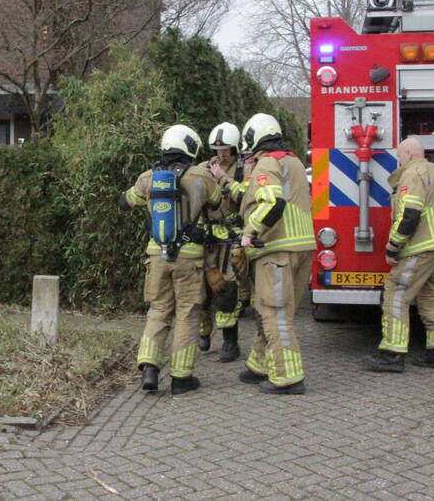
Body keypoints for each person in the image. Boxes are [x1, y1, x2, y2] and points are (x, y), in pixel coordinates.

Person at [213, 113, 315, 394]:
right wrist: (230, 180)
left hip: (277, 250)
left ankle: (288, 377)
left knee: (273, 313)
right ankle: (260, 364)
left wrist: (250, 232)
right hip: (301, 247)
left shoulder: (267, 162)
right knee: (273, 310)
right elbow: (250, 193)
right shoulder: (292, 161)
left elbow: (272, 201)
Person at [120, 124, 222, 394]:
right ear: (191, 147)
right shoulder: (201, 175)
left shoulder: (148, 177)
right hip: (189, 257)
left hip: (156, 254)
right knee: (188, 313)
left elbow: (125, 202)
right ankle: (181, 377)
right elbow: (217, 203)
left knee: (159, 311)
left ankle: (150, 367)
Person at [363, 136, 434, 373]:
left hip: (424, 246)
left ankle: (392, 353)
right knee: (433, 297)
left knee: (396, 293)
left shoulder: (412, 174)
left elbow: (409, 213)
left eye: (400, 156)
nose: (399, 161)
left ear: (409, 154)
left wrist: (393, 247)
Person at [197, 122, 247, 363]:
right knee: (203, 290)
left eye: (226, 149)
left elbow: (246, 196)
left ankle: (230, 342)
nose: (221, 153)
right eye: (218, 150)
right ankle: (203, 330)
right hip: (206, 237)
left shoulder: (243, 169)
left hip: (231, 237)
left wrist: (223, 178)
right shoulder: (202, 168)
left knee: (228, 290)